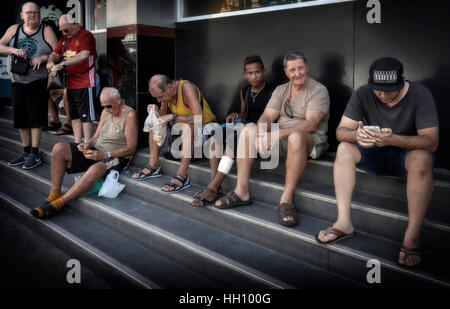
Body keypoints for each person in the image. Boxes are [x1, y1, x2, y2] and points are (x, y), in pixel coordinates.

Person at [316, 57, 439, 268]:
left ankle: (412, 237)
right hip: (374, 155)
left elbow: (431, 141)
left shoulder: (420, 94)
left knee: (422, 157)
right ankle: (344, 222)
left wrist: (394, 139)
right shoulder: (364, 92)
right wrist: (356, 135)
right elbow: (340, 132)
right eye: (378, 89)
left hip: (406, 158)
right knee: (345, 147)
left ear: (403, 79)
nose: (382, 95)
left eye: (389, 90)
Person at [215, 51, 330, 227]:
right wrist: (261, 133)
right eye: (292, 70)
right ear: (286, 72)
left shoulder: (318, 90)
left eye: (300, 68)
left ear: (307, 68)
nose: (297, 73)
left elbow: (311, 124)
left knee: (297, 137)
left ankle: (286, 199)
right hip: (282, 138)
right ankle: (241, 191)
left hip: (311, 140)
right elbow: (268, 116)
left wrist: (278, 134)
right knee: (248, 129)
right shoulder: (281, 89)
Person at [31, 87, 138, 219]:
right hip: (98, 151)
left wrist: (105, 155)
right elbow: (96, 137)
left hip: (116, 155)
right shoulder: (106, 112)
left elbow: (131, 148)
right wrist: (87, 144)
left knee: (95, 169)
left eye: (108, 106)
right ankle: (54, 194)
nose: (106, 109)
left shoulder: (130, 115)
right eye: (103, 106)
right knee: (59, 148)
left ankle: (59, 203)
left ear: (118, 100)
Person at [191, 55, 274, 207]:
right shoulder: (245, 91)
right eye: (250, 73)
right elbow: (244, 115)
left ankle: (213, 187)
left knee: (231, 141)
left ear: (264, 71)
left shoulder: (272, 91)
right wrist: (236, 115)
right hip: (244, 127)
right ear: (245, 74)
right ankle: (216, 184)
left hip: (260, 130)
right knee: (213, 139)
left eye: (257, 72)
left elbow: (272, 118)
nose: (254, 76)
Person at [132, 74, 216, 193]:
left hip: (204, 134)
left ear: (170, 86)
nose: (159, 100)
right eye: (156, 98)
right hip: (181, 139)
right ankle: (153, 165)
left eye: (160, 96)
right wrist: (155, 111)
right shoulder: (168, 94)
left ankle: (182, 176)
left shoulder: (186, 88)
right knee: (154, 122)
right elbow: (163, 113)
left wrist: (172, 116)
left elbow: (199, 118)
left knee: (187, 127)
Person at [0, 2, 58, 169]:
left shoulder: (45, 30)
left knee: (36, 119)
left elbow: (57, 51)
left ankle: (35, 153)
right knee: (21, 120)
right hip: (17, 81)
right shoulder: (14, 29)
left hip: (37, 82)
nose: (33, 15)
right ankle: (25, 151)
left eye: (36, 13)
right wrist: (13, 51)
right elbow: (0, 45)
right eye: (30, 13)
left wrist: (43, 58)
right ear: (22, 15)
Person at [46, 14, 97, 144]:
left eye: (66, 30)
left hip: (85, 81)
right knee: (74, 115)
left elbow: (84, 55)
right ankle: (77, 143)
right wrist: (51, 61)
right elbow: (55, 53)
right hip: (70, 82)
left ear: (75, 24)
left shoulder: (86, 35)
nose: (64, 33)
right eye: (62, 30)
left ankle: (87, 144)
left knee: (86, 116)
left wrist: (62, 64)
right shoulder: (65, 38)